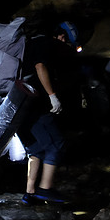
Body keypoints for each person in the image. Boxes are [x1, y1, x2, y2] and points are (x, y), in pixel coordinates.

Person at [18, 20, 80, 204]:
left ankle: (30, 193)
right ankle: (45, 189)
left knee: (37, 148)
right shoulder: (45, 43)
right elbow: (40, 66)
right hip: (35, 106)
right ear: (61, 36)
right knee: (56, 144)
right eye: (66, 42)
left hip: (19, 105)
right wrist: (52, 95)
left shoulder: (30, 43)